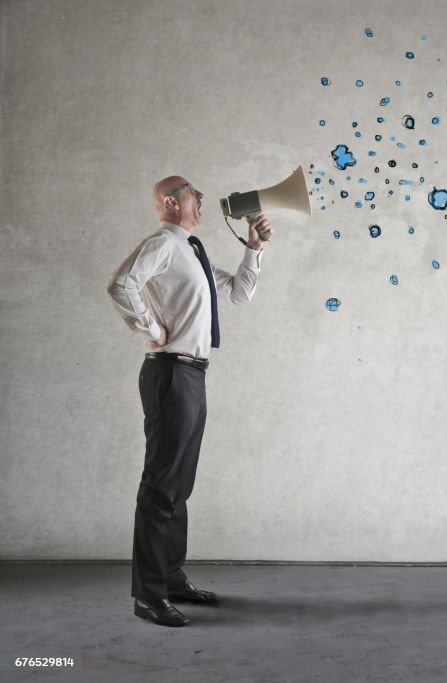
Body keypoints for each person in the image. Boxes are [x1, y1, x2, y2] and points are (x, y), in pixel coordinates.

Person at [107, 176, 272, 627]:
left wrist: (254, 248)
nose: (200, 197)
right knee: (161, 487)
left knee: (179, 487)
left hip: (193, 375)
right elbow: (121, 285)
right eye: (191, 191)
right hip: (170, 372)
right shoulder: (163, 242)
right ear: (170, 202)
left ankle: (171, 579)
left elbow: (239, 293)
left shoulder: (192, 251)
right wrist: (151, 331)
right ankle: (148, 596)